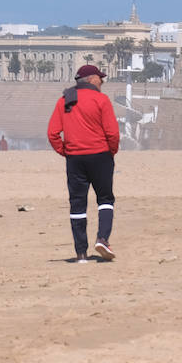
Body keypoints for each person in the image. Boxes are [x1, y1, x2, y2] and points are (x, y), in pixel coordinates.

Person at [47, 63, 120, 262]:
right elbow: (112, 132)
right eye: (100, 77)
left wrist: (66, 152)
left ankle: (81, 253)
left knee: (77, 204)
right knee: (105, 199)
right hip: (100, 155)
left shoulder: (65, 100)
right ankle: (103, 239)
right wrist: (111, 152)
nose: (102, 81)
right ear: (90, 79)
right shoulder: (101, 99)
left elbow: (52, 133)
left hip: (75, 158)